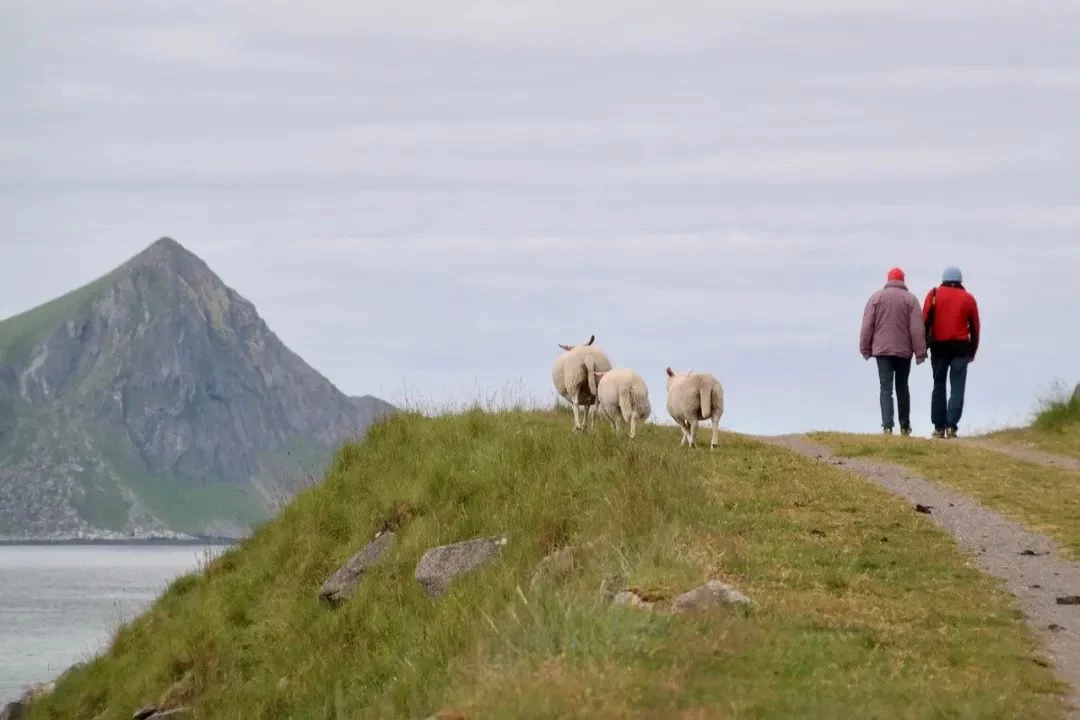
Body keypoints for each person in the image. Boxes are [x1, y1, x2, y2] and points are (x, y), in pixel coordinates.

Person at [860, 267, 927, 435]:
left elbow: (867, 325)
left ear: (888, 280)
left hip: (882, 351)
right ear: (903, 281)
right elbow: (917, 328)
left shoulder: (876, 298)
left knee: (885, 388)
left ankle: (887, 426)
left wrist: (865, 348)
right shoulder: (911, 300)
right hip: (904, 351)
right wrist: (920, 352)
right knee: (902, 387)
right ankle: (905, 425)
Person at [923, 265, 980, 439]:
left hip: (939, 347)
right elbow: (975, 327)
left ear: (943, 279)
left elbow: (924, 320)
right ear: (960, 281)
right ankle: (952, 426)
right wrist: (973, 350)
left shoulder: (933, 294)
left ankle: (938, 427)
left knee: (938, 386)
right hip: (961, 348)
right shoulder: (968, 298)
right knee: (957, 387)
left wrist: (922, 346)